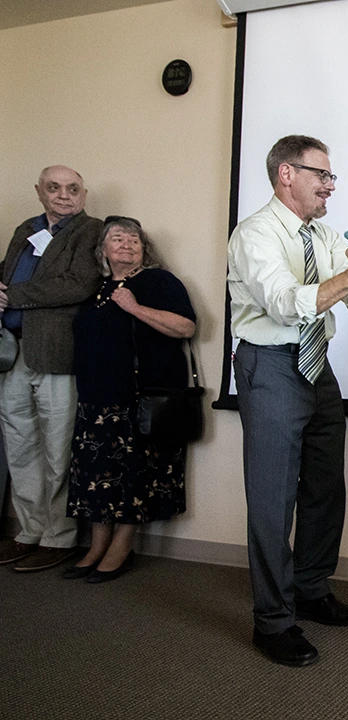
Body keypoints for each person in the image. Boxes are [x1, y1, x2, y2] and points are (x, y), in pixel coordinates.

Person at [228, 135, 348, 667]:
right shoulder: (255, 233)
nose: (330, 186)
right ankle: (272, 622)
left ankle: (311, 589)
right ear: (286, 174)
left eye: (332, 177)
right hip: (270, 365)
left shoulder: (323, 231)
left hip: (318, 368)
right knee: (274, 499)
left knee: (324, 483)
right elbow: (283, 303)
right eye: (322, 175)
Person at [64, 217, 196, 583]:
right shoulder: (97, 289)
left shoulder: (157, 281)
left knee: (134, 478)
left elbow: (186, 327)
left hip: (140, 399)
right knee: (97, 477)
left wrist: (135, 308)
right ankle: (96, 545)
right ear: (103, 249)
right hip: (96, 400)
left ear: (144, 248)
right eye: (117, 238)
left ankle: (122, 547)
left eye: (134, 239)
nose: (126, 244)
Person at [0, 166, 102, 572]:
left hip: (58, 352)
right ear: (39, 192)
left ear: (84, 193)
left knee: (58, 448)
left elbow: (77, 284)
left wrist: (12, 297)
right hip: (14, 352)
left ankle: (58, 537)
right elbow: (7, 273)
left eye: (72, 188)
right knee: (20, 444)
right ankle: (28, 531)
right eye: (54, 188)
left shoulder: (89, 229)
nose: (64, 195)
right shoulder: (26, 227)